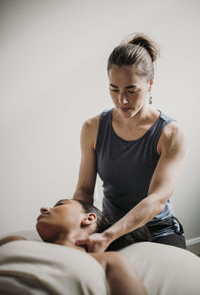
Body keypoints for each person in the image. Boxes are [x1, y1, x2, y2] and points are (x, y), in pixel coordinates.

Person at [73, 32, 187, 252]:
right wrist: (71, 224)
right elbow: (84, 191)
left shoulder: (171, 133)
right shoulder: (92, 128)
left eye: (131, 90)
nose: (121, 100)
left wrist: (108, 236)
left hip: (158, 230)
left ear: (150, 84)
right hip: (109, 228)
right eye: (113, 89)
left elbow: (157, 199)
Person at [0, 199, 147, 295]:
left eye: (59, 205)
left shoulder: (108, 261)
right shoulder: (14, 241)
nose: (43, 208)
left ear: (89, 218)